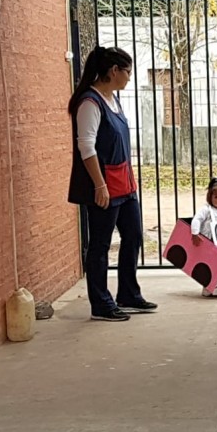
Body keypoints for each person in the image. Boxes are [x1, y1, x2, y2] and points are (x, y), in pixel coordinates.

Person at [68, 46, 157, 322]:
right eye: (128, 72)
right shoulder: (90, 103)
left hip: (125, 183)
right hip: (105, 185)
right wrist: (99, 185)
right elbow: (86, 147)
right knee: (100, 245)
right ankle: (101, 304)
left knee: (133, 236)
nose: (129, 77)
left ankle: (128, 294)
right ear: (114, 71)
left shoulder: (113, 100)